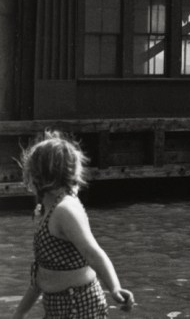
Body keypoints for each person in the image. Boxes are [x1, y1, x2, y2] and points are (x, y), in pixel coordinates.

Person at [12, 130, 134, 319]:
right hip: (58, 308)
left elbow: (93, 253)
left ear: (41, 176)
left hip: (79, 307)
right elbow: (41, 274)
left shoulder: (65, 210)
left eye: (30, 172)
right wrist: (19, 313)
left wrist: (115, 288)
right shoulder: (45, 210)